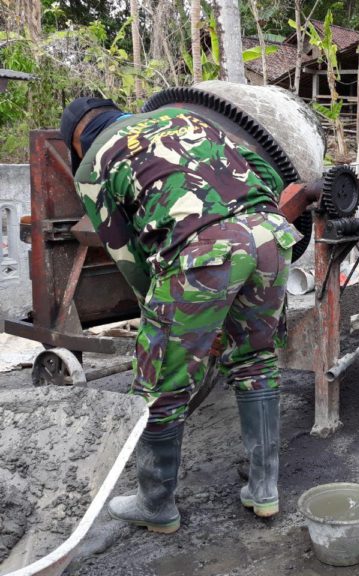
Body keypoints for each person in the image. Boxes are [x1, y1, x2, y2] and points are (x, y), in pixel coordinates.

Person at [60, 96, 300, 533]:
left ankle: (156, 504)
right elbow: (263, 169)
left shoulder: (93, 162)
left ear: (76, 141)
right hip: (268, 233)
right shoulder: (183, 115)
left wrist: (163, 318)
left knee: (160, 382)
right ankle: (265, 491)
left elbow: (126, 252)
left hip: (199, 251)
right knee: (255, 361)